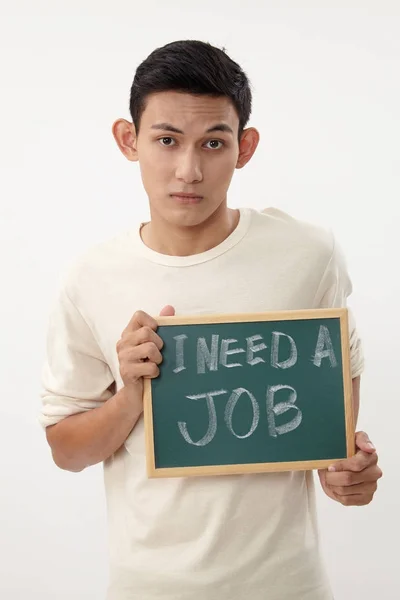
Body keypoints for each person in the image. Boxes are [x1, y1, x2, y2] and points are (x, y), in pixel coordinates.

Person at [39, 39, 382, 600]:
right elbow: (66, 450)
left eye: (213, 143)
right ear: (130, 140)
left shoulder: (308, 256)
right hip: (149, 587)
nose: (189, 170)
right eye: (167, 140)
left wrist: (350, 475)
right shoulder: (90, 277)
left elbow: (333, 441)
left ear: (244, 147)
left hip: (287, 584)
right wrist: (131, 393)